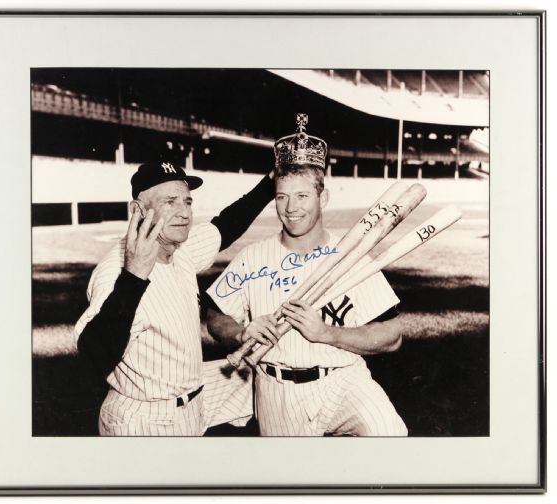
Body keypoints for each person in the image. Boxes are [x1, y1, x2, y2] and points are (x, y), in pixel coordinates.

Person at [206, 114, 408, 436]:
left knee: (387, 432)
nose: (290, 208)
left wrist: (327, 333)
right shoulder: (252, 257)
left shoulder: (351, 255)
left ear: (322, 198)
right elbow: (215, 315)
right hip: (277, 389)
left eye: (302, 196)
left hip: (344, 379)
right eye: (282, 197)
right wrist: (241, 333)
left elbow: (392, 335)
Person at [75, 159, 274, 436]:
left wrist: (271, 183)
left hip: (191, 399)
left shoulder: (179, 248)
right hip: (144, 419)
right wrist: (134, 277)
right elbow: (94, 354)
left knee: (266, 377)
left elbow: (225, 227)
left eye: (188, 202)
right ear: (138, 210)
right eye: (170, 202)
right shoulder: (114, 273)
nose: (184, 213)